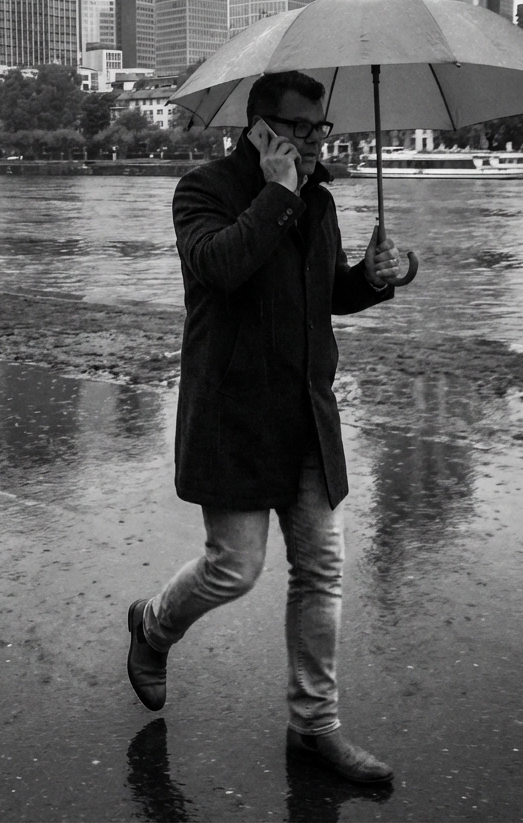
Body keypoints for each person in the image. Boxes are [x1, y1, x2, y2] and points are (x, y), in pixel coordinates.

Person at [127, 70, 409, 784]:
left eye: (324, 129)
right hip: (234, 417)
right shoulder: (203, 191)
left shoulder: (319, 200)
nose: (319, 143)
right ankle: (153, 626)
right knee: (236, 568)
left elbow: (326, 295)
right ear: (261, 130)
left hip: (307, 414)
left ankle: (314, 727)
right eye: (305, 130)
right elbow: (221, 268)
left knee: (321, 571)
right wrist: (278, 193)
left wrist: (378, 277)